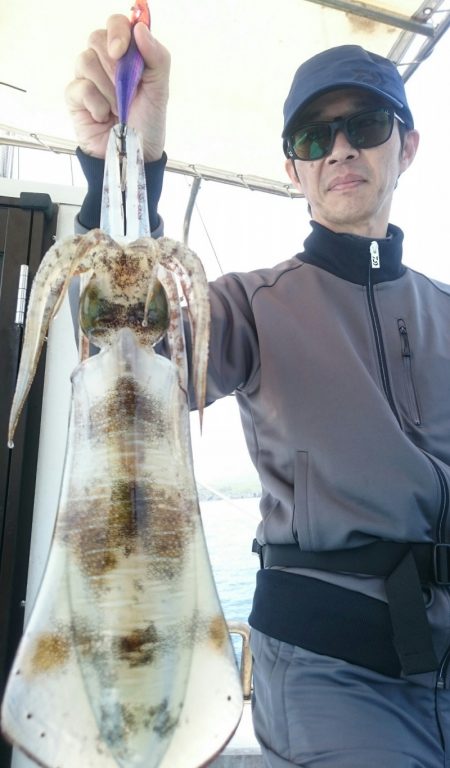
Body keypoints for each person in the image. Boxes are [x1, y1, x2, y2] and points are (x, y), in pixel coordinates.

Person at [66, 16, 450, 768]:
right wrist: (123, 166)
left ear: (405, 146)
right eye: (314, 137)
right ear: (293, 169)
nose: (340, 148)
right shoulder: (247, 306)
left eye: (365, 125)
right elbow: (127, 353)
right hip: (329, 670)